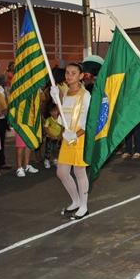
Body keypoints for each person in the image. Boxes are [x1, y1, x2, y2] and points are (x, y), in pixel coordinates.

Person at [50, 62, 91, 220]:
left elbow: (88, 120)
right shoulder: (65, 93)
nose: (69, 76)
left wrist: (76, 134)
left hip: (80, 138)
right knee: (62, 172)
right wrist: (56, 99)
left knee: (79, 172)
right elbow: (63, 116)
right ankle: (75, 201)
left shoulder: (85, 95)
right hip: (68, 138)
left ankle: (84, 206)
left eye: (73, 73)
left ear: (81, 76)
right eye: (67, 73)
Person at [43, 102, 63, 168]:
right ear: (49, 112)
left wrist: (60, 135)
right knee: (48, 149)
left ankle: (55, 160)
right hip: (50, 138)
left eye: (55, 111)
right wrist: (51, 135)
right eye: (52, 111)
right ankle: (47, 160)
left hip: (58, 138)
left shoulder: (61, 119)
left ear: (58, 111)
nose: (54, 113)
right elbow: (46, 128)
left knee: (57, 149)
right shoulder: (49, 120)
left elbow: (63, 128)